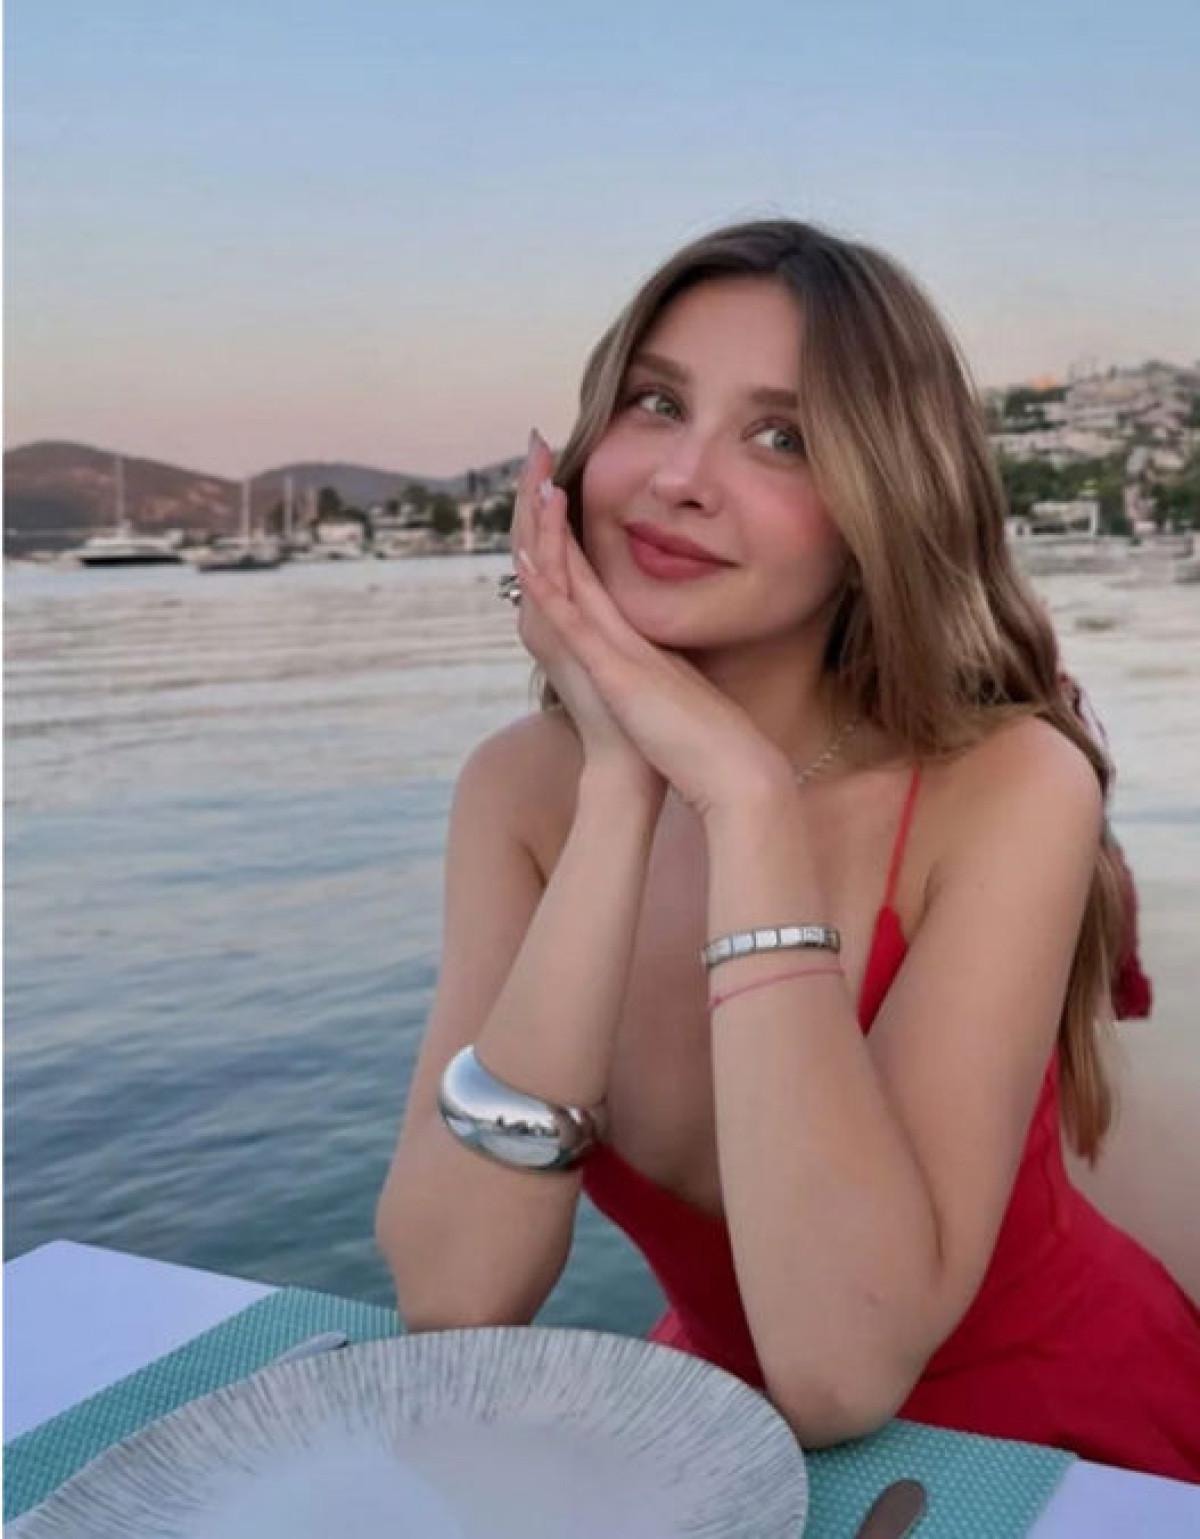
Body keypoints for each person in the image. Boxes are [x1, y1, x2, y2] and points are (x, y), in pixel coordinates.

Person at [375, 219, 1199, 1481]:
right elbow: (454, 1296)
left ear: (881, 510)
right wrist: (618, 787)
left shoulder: (1009, 785)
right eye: (657, 403)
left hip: (1045, 1451)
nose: (680, 477)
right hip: (712, 1439)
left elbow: (841, 1372)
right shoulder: (520, 793)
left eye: (783, 438)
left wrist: (746, 801)